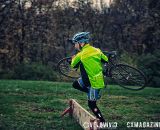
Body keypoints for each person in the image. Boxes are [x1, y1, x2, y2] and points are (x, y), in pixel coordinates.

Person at [70, 32, 108, 123]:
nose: (75, 46)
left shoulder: (80, 55)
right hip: (95, 80)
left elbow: (73, 65)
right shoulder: (97, 50)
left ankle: (103, 122)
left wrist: (73, 59)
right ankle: (93, 94)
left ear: (82, 43)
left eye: (76, 43)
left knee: (92, 104)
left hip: (93, 84)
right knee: (75, 84)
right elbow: (105, 59)